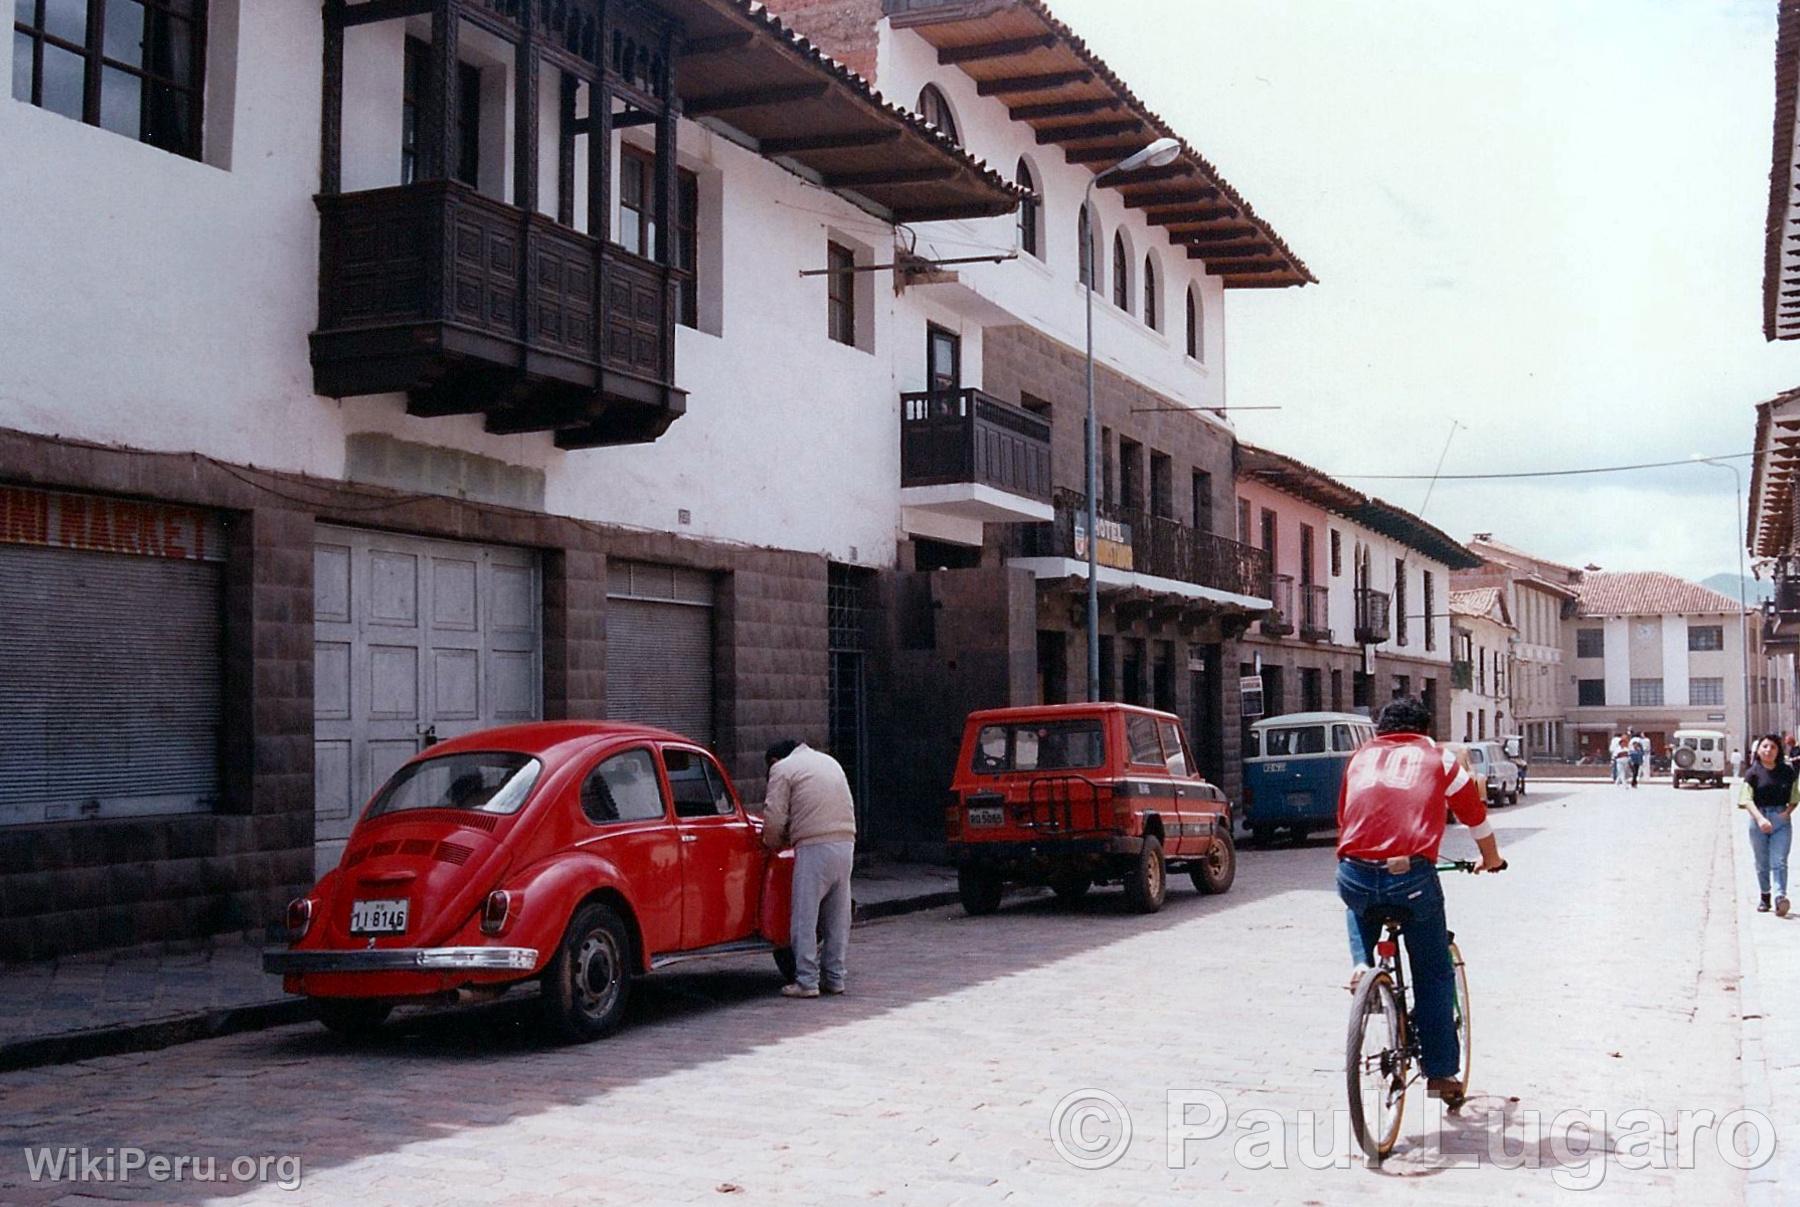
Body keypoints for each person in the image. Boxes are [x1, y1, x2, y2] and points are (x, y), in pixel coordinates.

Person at [1337, 696, 1506, 1103]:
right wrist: (1491, 858)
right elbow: (1474, 815)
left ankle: (1362, 965)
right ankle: (1441, 1072)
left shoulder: (1358, 759)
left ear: (1379, 730)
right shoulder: (1440, 759)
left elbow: (1343, 817)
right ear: (1426, 729)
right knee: (1432, 972)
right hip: (1410, 878)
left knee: (1356, 901)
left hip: (1354, 870)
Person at [763, 739, 858, 999]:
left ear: (774, 760)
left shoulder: (782, 769)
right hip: (845, 842)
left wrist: (771, 842)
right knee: (837, 918)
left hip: (814, 845)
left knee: (805, 916)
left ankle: (806, 980)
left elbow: (774, 815)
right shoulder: (829, 762)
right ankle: (835, 977)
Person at [1740, 734, 1798, 917]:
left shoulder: (1787, 772)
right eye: (1765, 746)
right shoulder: (1752, 773)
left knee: (1779, 860)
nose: (1768, 750)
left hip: (1781, 820)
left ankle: (1780, 898)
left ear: (1778, 751)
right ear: (1758, 750)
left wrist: (1787, 813)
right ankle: (1765, 896)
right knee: (1762, 861)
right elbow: (1746, 799)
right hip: (1759, 819)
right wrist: (1759, 819)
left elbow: (1795, 795)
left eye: (1773, 747)